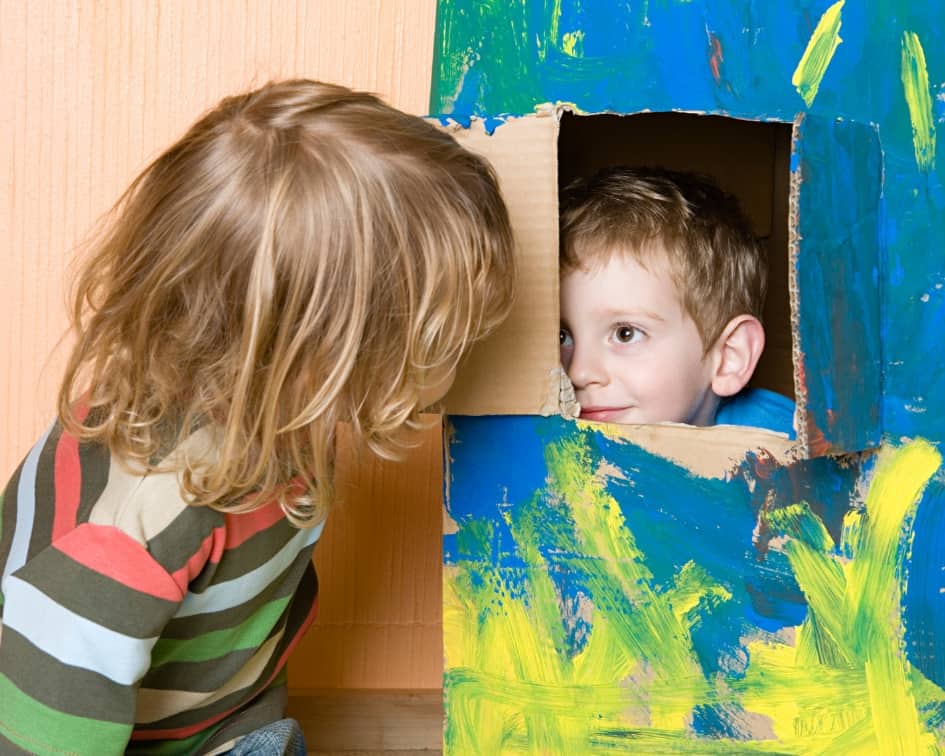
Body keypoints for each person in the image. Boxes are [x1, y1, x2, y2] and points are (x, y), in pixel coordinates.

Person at [0, 79, 515, 755]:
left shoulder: (280, 410)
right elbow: (45, 709)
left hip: (216, 717)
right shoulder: (152, 510)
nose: (464, 349)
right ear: (321, 351)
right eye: (441, 336)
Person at [558, 166, 795, 436]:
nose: (578, 372)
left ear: (730, 356)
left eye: (625, 333)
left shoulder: (787, 452)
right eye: (562, 336)